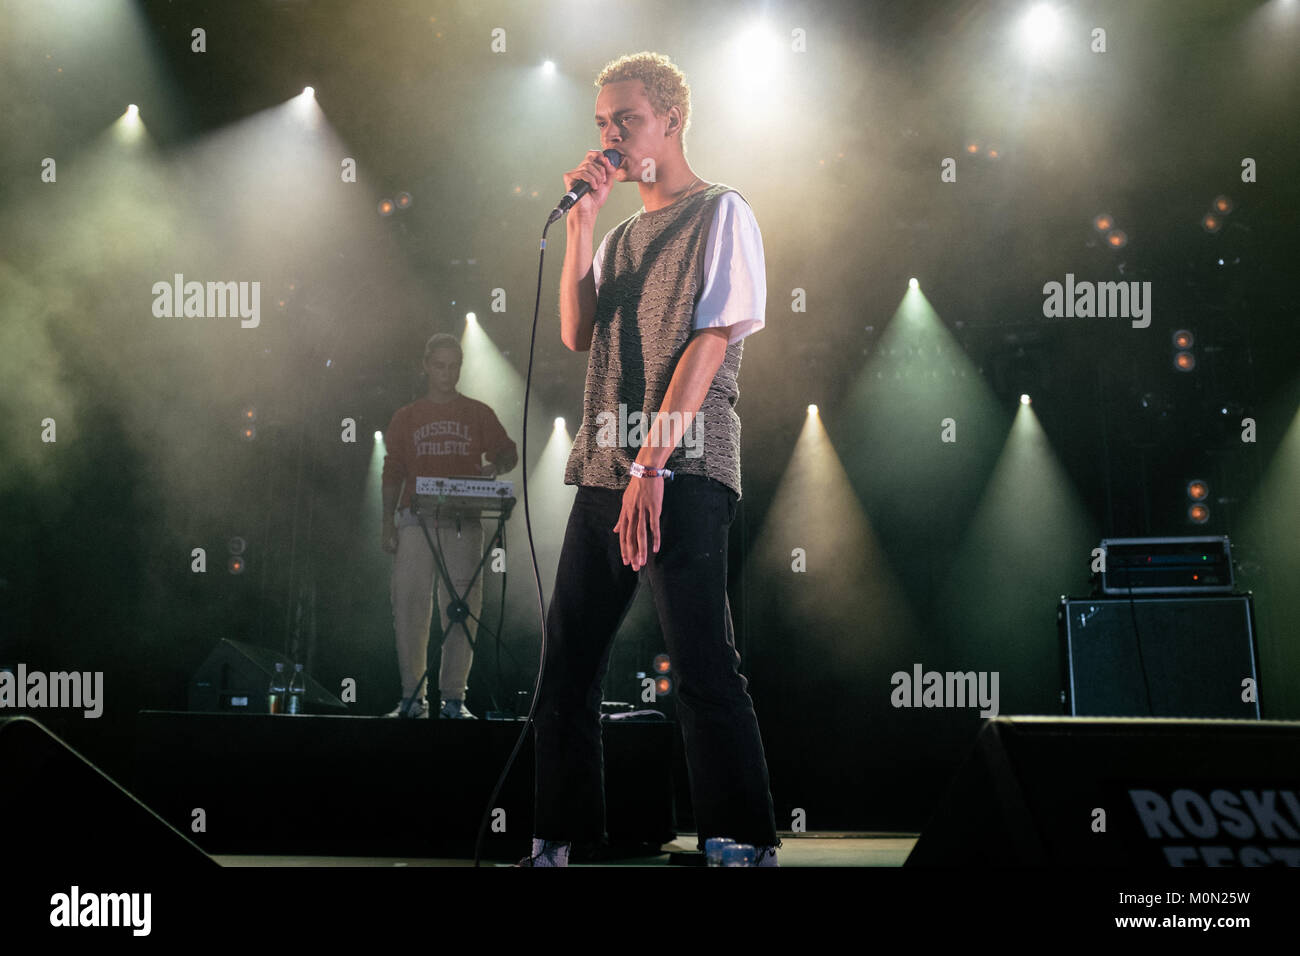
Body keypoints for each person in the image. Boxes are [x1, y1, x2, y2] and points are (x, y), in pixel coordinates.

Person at [523, 52, 780, 866]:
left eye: (624, 119)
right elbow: (575, 331)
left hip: (685, 467)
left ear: (670, 119)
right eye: (601, 122)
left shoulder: (722, 211)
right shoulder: (624, 233)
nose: (610, 135)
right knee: (566, 662)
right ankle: (561, 838)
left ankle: (741, 838)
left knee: (702, 660)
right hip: (607, 467)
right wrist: (581, 227)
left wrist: (652, 468)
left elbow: (710, 342)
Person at [381, 332, 518, 719]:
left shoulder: (477, 412)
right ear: (426, 367)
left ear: (460, 367)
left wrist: (499, 465)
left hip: (463, 520)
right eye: (439, 365)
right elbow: (392, 471)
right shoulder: (407, 416)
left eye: (453, 366)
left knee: (461, 606)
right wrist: (386, 523)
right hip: (414, 519)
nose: (446, 373)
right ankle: (412, 698)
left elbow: (507, 451)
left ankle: (454, 699)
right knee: (409, 605)